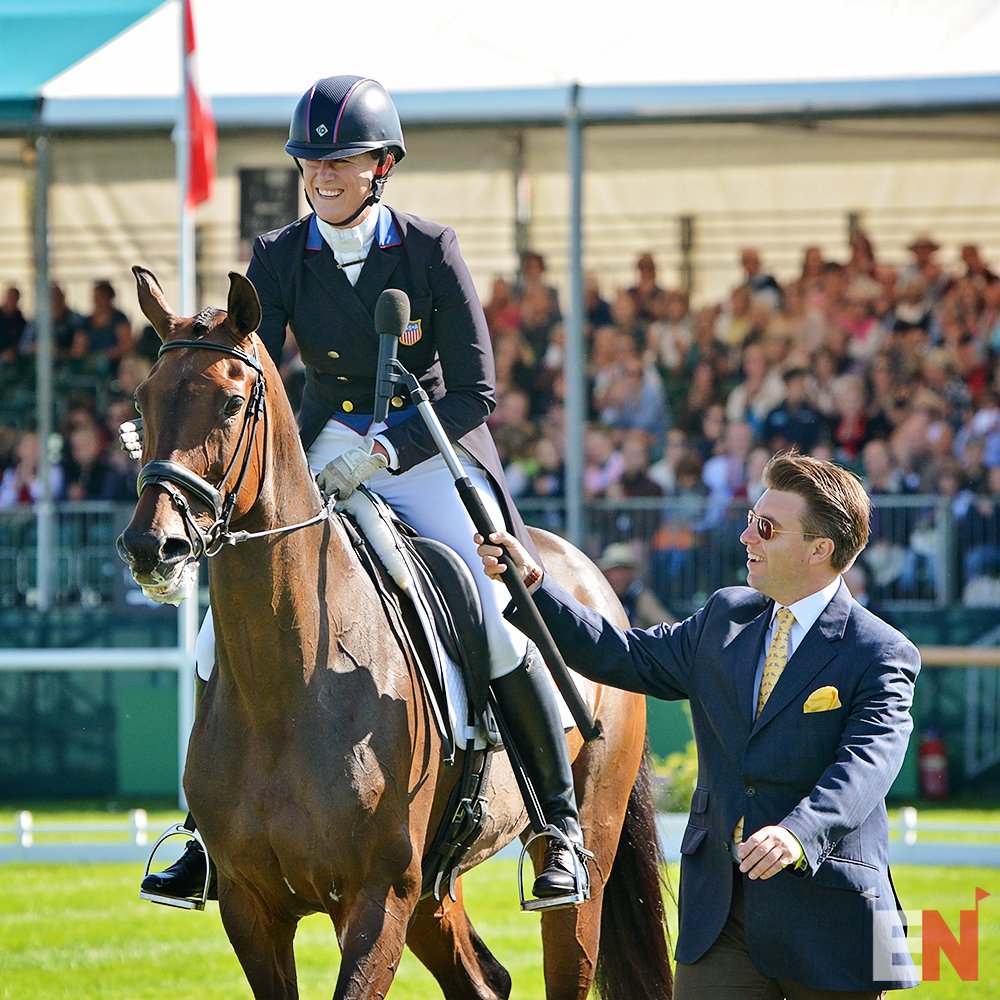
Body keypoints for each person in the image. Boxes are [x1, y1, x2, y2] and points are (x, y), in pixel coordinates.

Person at [139, 74, 586, 906]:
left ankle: (558, 825)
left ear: (382, 165)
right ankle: (206, 835)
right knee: (217, 632)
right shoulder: (277, 256)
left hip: (426, 446)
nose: (322, 175)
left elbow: (477, 392)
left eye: (340, 160)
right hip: (319, 447)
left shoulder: (429, 247)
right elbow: (247, 358)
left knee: (488, 615)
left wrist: (385, 451)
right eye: (311, 162)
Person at [477, 450, 920, 997]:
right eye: (749, 521)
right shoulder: (723, 615)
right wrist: (534, 586)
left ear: (819, 549)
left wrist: (797, 833)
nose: (746, 538)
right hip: (719, 916)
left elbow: (868, 765)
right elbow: (622, 654)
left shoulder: (882, 651)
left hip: (833, 914)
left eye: (766, 527)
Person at [597, 542, 676, 629]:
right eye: (615, 570)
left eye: (624, 570)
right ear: (605, 573)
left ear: (632, 573)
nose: (619, 576)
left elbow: (669, 626)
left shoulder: (640, 598)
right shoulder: (598, 597)